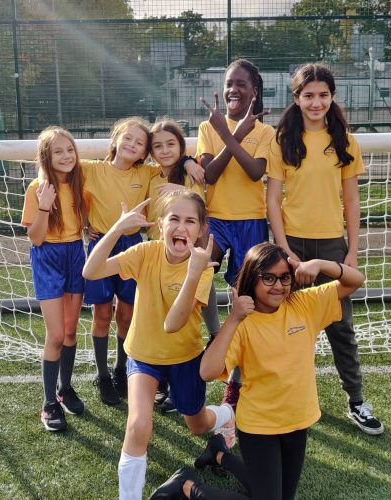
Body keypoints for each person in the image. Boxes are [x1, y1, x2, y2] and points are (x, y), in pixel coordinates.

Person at [150, 242, 365, 500]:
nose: (278, 285)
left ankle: (219, 454)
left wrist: (320, 264)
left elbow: (355, 280)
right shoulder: (243, 322)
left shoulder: (304, 304)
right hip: (259, 428)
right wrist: (233, 318)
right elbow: (207, 371)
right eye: (268, 278)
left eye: (284, 277)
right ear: (253, 278)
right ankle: (186, 486)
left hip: (298, 421)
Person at [82, 190, 235, 500]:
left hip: (185, 356)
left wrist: (193, 272)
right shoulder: (146, 252)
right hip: (143, 354)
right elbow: (91, 271)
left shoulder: (203, 267)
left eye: (190, 221)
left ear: (201, 229)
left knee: (197, 424)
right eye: (174, 219)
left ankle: (226, 414)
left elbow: (173, 323)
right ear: (161, 224)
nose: (181, 227)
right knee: (138, 425)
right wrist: (117, 229)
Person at [266, 63, 383, 435]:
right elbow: (273, 201)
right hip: (293, 244)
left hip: (332, 246)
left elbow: (352, 200)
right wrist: (284, 250)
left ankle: (357, 401)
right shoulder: (283, 140)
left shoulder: (344, 141)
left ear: (332, 97)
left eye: (323, 95)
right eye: (308, 95)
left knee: (340, 328)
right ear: (297, 98)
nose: (316, 102)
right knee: (284, 325)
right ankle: (280, 398)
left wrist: (352, 252)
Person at [197, 58, 274, 439]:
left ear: (254, 91)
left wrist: (236, 134)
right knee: (198, 275)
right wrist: (230, 133)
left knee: (247, 299)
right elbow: (210, 175)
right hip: (216, 219)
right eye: (229, 83)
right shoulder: (207, 127)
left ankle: (237, 382)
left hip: (250, 222)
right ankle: (215, 335)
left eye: (241, 84)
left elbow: (254, 171)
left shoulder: (265, 131)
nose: (233, 89)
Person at [148, 119, 220, 414]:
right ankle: (163, 382)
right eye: (158, 146)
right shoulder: (150, 176)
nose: (165, 151)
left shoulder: (192, 175)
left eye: (171, 144)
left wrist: (187, 167)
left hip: (189, 261)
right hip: (158, 262)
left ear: (181, 146)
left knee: (190, 324)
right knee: (162, 321)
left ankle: (191, 382)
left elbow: (197, 213)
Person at [82, 116, 155, 406]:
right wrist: (84, 220)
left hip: (131, 246)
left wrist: (188, 162)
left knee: (126, 315)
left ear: (144, 152)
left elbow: (174, 162)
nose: (132, 145)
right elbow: (64, 179)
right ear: (115, 139)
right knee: (102, 315)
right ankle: (102, 376)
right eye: (128, 138)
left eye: (139, 143)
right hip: (101, 245)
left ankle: (121, 369)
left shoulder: (147, 173)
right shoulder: (91, 169)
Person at [21, 126, 88, 431]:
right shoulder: (38, 187)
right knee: (56, 335)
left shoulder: (79, 183)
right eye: (58, 151)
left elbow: (84, 220)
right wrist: (45, 204)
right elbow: (35, 238)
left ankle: (65, 389)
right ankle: (49, 404)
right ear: (46, 156)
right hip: (47, 256)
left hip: (75, 253)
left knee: (71, 332)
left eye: (70, 149)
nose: (66, 156)